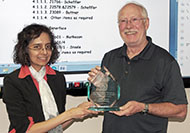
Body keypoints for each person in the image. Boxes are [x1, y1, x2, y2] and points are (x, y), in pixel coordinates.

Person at [88, 2, 188, 133]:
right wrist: (96, 88)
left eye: (134, 19)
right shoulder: (110, 58)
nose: (128, 26)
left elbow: (180, 111)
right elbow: (101, 102)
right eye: (123, 21)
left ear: (146, 23)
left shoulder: (165, 62)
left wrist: (143, 107)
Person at [2, 23, 98, 133]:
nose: (44, 52)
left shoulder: (57, 78)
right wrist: (70, 113)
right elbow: (26, 130)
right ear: (25, 50)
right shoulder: (13, 81)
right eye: (37, 47)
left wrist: (78, 111)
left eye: (47, 47)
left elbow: (56, 126)